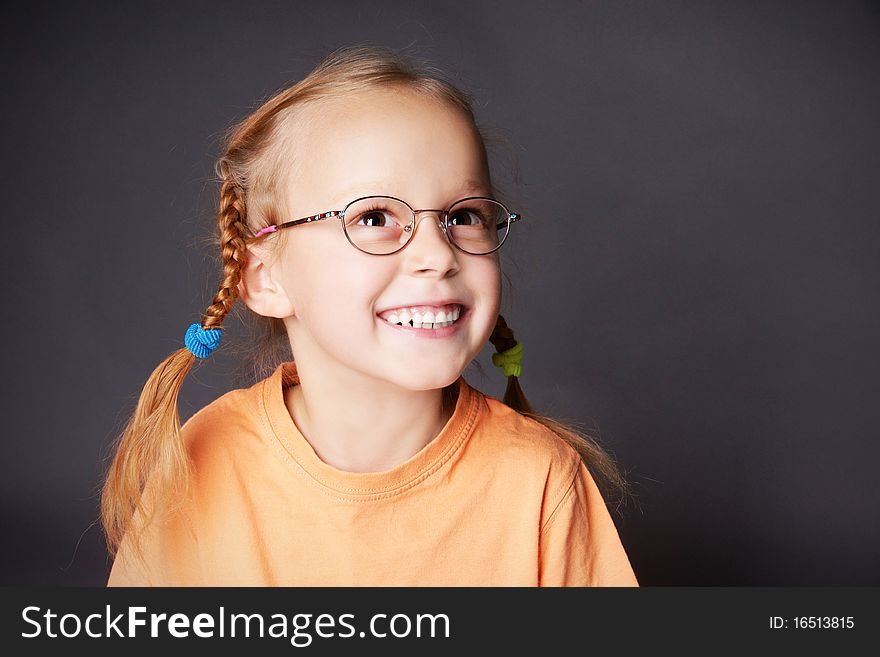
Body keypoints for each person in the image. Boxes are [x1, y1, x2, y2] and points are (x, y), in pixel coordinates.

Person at [102, 44, 639, 586]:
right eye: (375, 216)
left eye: (463, 216)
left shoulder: (539, 479)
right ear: (265, 278)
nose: (437, 254)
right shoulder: (206, 459)